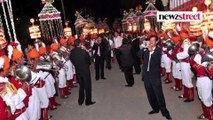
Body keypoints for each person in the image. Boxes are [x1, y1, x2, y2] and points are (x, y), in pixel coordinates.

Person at [138, 35, 172, 120]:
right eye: (150, 40)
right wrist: (143, 47)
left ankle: (165, 112)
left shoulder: (158, 50)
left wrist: (150, 51)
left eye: (153, 41)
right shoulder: (146, 48)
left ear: (156, 42)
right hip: (146, 75)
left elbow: (156, 60)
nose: (151, 42)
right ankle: (155, 108)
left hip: (155, 75)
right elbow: (138, 55)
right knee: (150, 93)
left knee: (159, 94)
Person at [70, 39, 96, 106]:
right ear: (80, 44)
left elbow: (72, 60)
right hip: (85, 70)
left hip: (78, 71)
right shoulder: (83, 51)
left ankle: (80, 101)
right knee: (87, 86)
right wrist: (86, 50)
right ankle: (88, 101)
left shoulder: (72, 52)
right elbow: (89, 60)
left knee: (81, 86)